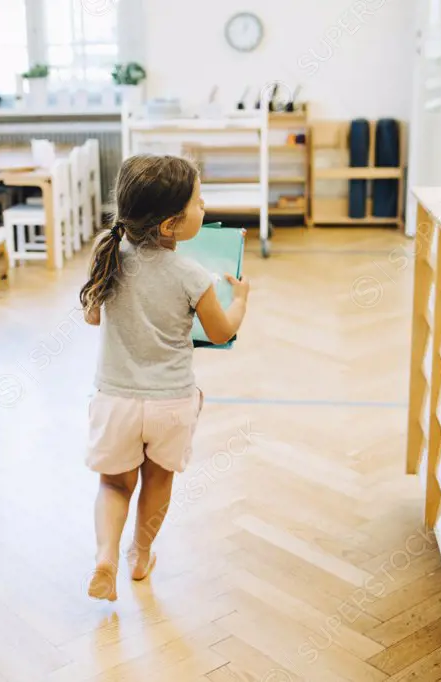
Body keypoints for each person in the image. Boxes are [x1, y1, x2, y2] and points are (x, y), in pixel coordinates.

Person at [80, 154, 250, 601]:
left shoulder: (108, 257)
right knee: (158, 482)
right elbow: (220, 332)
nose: (205, 208)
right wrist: (241, 301)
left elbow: (92, 317)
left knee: (114, 484)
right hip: (171, 403)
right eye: (198, 202)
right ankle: (141, 556)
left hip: (114, 399)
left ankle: (105, 557)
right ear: (171, 226)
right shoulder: (192, 275)